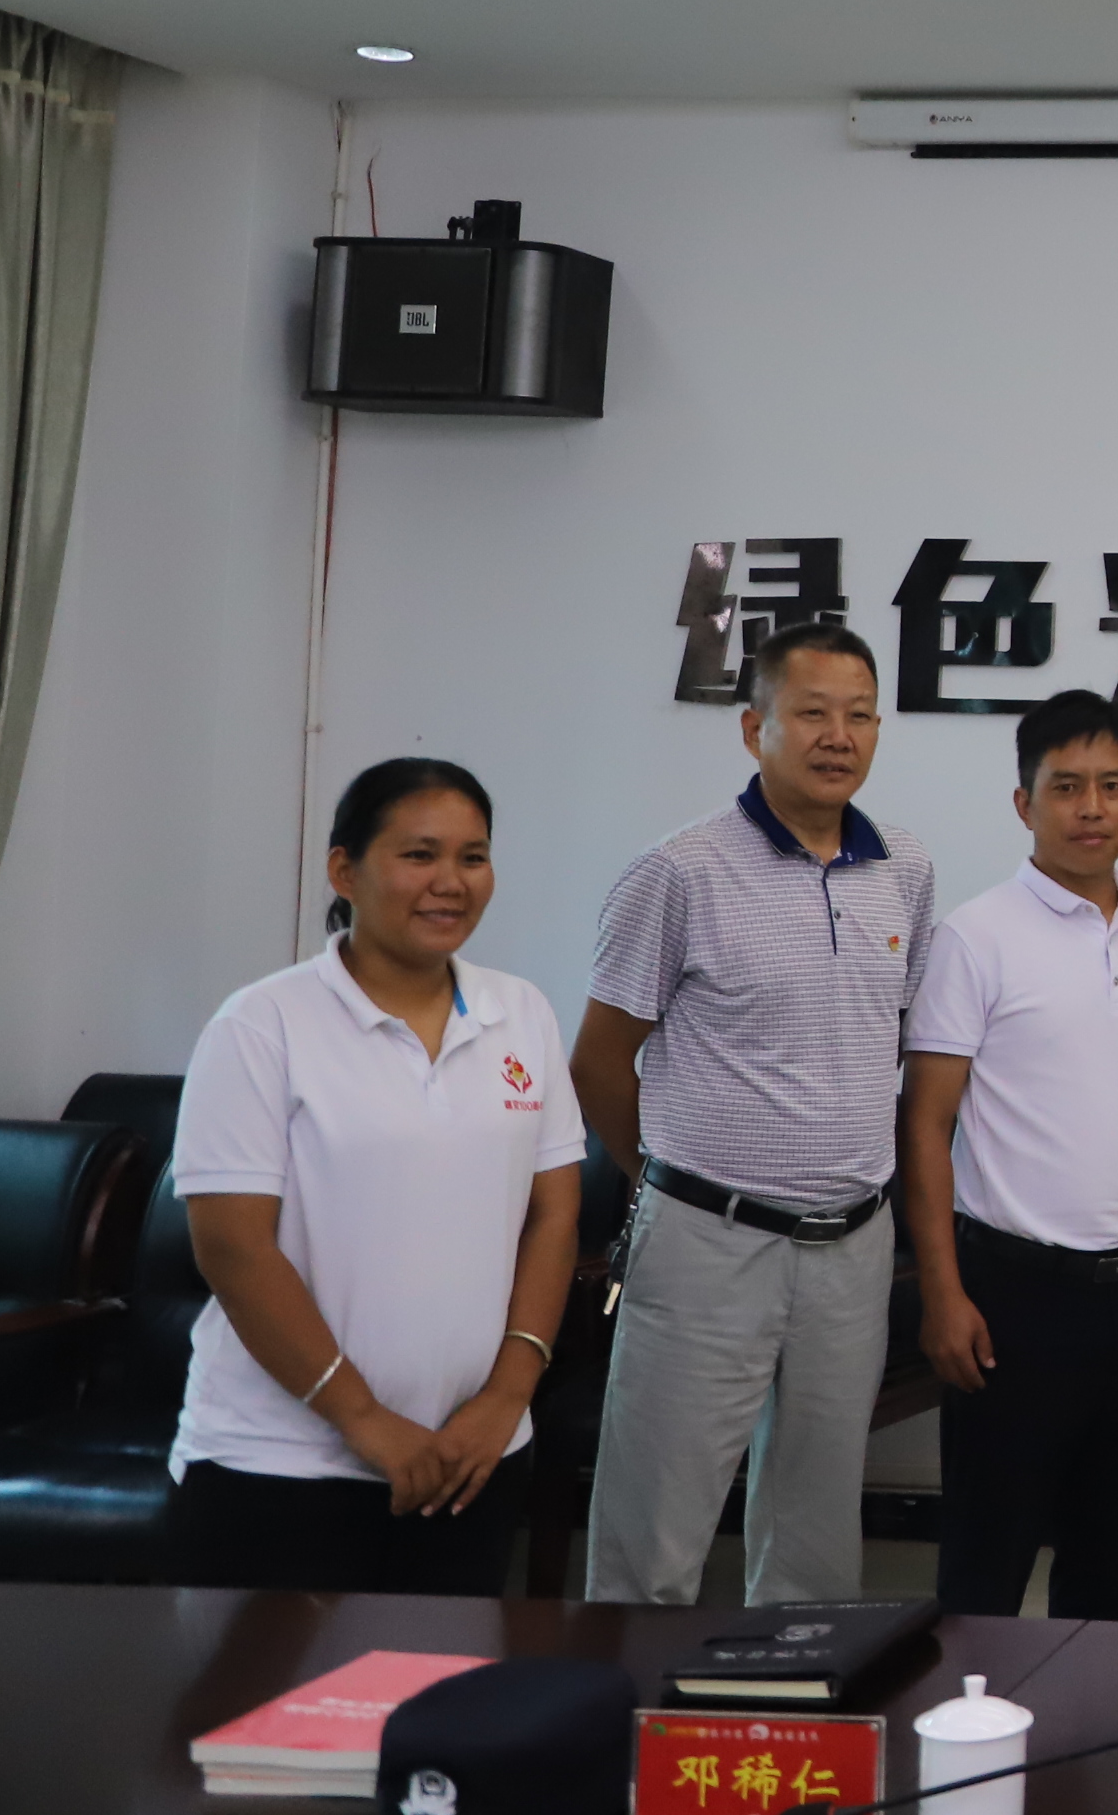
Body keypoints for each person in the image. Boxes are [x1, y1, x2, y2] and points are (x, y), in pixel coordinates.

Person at [572, 618, 938, 1606]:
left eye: (860, 715)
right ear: (753, 728)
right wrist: (664, 1179)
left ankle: (794, 1701)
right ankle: (628, 1698)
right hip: (707, 1239)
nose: (838, 736)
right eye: (812, 713)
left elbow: (892, 1041)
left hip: (852, 1244)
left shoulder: (904, 868)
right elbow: (599, 1062)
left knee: (816, 1535)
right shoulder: (679, 872)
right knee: (655, 1530)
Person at [166, 759, 585, 1592]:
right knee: (269, 1684)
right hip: (281, 1465)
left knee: (443, 1680)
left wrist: (506, 1399)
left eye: (472, 857)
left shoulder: (521, 1014)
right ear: (344, 870)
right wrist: (362, 1418)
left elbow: (553, 1218)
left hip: (472, 1459)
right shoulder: (262, 1024)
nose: (450, 882)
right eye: (419, 854)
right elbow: (233, 1249)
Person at [899, 689, 1118, 1622]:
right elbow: (925, 1125)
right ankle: (970, 1717)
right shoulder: (976, 935)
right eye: (1066, 786)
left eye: (1112, 786)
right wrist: (943, 1293)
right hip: (1013, 1297)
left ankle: (1100, 1719)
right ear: (1023, 802)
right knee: (986, 1567)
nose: (1091, 808)